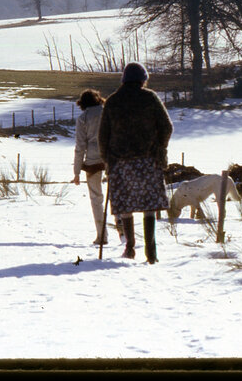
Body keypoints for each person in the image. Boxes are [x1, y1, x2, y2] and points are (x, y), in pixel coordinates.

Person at [98, 62, 173, 264]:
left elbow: (103, 135)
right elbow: (166, 126)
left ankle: (130, 248)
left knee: (125, 206)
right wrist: (159, 148)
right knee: (149, 206)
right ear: (142, 79)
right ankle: (152, 253)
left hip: (120, 161)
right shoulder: (150, 98)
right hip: (148, 160)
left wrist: (107, 159)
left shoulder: (113, 101)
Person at [72, 89, 109, 245]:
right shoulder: (108, 112)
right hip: (111, 157)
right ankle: (122, 228)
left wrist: (76, 172)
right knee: (116, 195)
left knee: (96, 199)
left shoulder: (83, 118)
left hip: (92, 161)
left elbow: (80, 146)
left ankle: (101, 235)